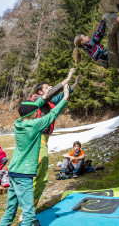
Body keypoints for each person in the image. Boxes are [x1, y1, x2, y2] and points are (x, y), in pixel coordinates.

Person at [0, 84, 71, 226]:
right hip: (23, 175)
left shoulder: (18, 123)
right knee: (29, 214)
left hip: (13, 172)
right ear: (31, 113)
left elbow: (33, 106)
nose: (36, 109)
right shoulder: (34, 125)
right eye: (34, 109)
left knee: (10, 211)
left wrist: (43, 97)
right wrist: (65, 97)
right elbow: (53, 114)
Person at [29, 69, 82, 207]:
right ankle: (29, 206)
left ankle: (28, 204)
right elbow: (51, 94)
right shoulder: (36, 99)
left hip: (44, 138)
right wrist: (68, 77)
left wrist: (74, 84)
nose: (50, 88)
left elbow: (64, 94)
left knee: (38, 172)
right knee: (40, 173)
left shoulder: (50, 102)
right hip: (37, 137)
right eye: (47, 88)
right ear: (40, 91)